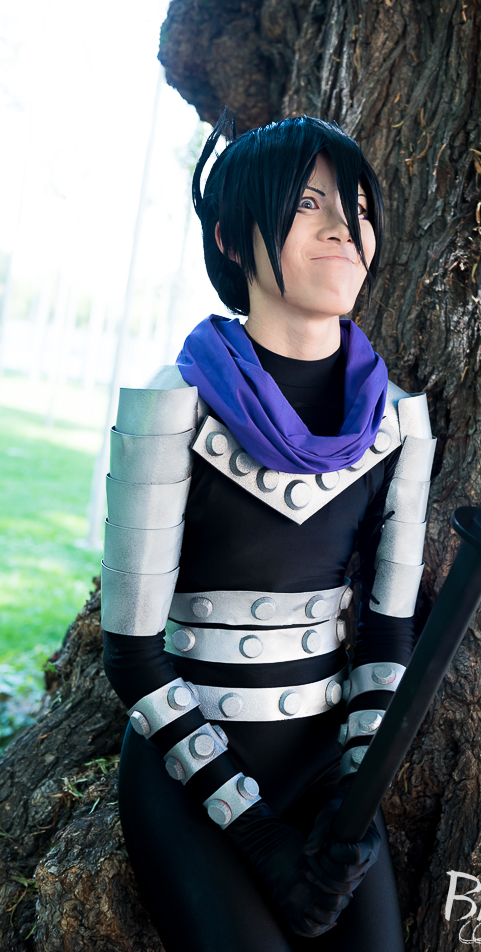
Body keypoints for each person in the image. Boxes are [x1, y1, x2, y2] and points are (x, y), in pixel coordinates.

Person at [101, 114, 435, 951]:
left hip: (329, 775)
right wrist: (260, 839)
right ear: (230, 236)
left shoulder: (398, 424)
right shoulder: (171, 409)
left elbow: (387, 634)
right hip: (186, 769)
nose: (345, 229)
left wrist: (351, 796)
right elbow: (132, 655)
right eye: (308, 204)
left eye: (359, 208)